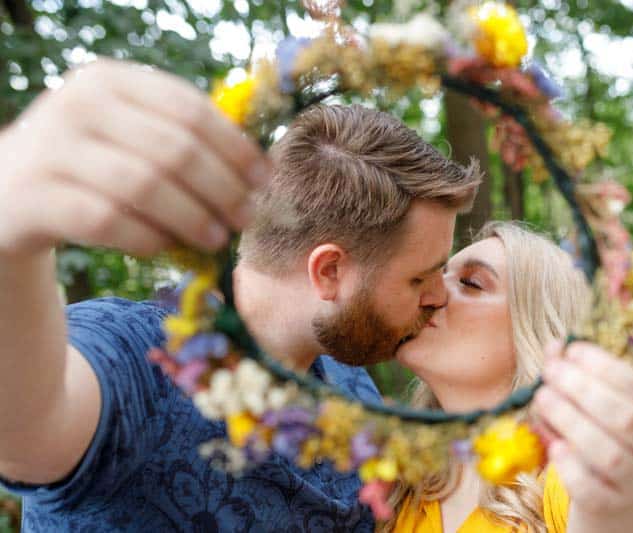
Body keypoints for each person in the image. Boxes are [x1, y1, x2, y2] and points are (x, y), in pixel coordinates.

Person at [0, 59, 480, 531]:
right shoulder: (138, 360)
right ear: (330, 272)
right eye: (420, 278)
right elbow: (25, 432)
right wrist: (13, 231)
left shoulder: (348, 379)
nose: (440, 295)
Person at [389, 222, 633, 533]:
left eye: (471, 283)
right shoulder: (398, 483)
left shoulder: (568, 472)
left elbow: (630, 513)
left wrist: (631, 489)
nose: (432, 291)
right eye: (438, 274)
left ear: (541, 332)